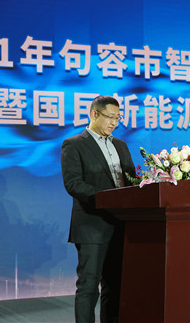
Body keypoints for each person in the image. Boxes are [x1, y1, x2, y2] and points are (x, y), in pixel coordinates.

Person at [61, 95, 136, 323]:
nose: (114, 122)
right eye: (110, 117)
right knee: (89, 286)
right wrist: (108, 198)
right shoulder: (74, 144)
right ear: (94, 114)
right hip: (92, 225)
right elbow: (73, 183)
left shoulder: (120, 145)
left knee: (115, 285)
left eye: (118, 118)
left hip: (120, 225)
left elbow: (131, 180)